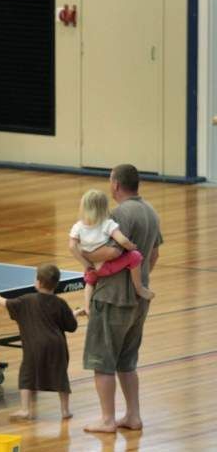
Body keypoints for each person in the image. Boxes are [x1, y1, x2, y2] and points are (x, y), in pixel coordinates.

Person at [80, 164, 162, 433]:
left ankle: (107, 420)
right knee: (127, 360)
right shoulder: (150, 211)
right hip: (140, 298)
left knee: (102, 360)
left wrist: (84, 254)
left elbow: (112, 252)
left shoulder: (119, 214)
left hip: (113, 298)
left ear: (115, 184)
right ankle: (133, 416)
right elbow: (153, 256)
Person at [0, 264, 77, 420]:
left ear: (38, 282)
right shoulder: (60, 303)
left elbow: (6, 303)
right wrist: (75, 314)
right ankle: (65, 410)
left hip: (34, 345)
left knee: (27, 374)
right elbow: (71, 326)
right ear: (56, 284)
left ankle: (25, 410)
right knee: (60, 376)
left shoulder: (26, 300)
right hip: (57, 345)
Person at [69, 189, 153, 310]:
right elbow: (122, 240)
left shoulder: (78, 227)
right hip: (108, 266)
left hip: (93, 268)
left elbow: (72, 247)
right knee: (135, 256)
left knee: (89, 283)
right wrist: (130, 246)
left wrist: (86, 264)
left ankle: (87, 308)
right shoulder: (107, 223)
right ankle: (139, 288)